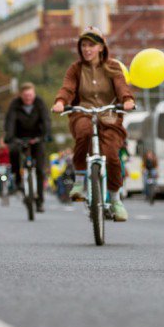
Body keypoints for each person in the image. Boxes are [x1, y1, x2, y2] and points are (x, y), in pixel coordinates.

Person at [52, 27, 136, 221]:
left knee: (111, 155)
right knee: (84, 132)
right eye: (83, 45)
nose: (87, 49)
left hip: (109, 115)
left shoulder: (113, 66)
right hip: (83, 112)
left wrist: (127, 100)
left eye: (91, 45)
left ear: (100, 47)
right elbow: (67, 88)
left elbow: (122, 86)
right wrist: (60, 102)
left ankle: (115, 199)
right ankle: (80, 179)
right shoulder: (75, 69)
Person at [5, 82, 52, 212]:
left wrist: (47, 135)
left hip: (37, 137)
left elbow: (46, 120)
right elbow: (9, 122)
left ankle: (40, 201)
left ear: (34, 94)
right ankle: (18, 180)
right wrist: (9, 136)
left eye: (30, 95)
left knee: (40, 170)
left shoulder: (39, 103)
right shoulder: (15, 104)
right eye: (25, 95)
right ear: (21, 95)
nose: (28, 98)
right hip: (19, 137)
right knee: (13, 152)